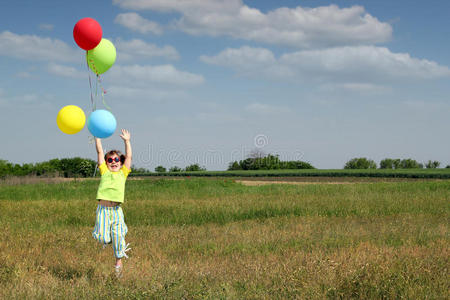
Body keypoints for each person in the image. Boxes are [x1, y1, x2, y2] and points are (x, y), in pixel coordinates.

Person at [92, 129, 132, 276]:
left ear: (120, 163)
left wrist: (127, 141)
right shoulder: (104, 171)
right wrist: (98, 139)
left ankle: (118, 264)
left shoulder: (123, 173)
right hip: (103, 210)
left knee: (118, 236)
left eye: (116, 160)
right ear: (106, 163)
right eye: (110, 160)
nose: (113, 162)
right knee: (102, 237)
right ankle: (107, 240)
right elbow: (100, 153)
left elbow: (129, 157)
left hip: (116, 211)